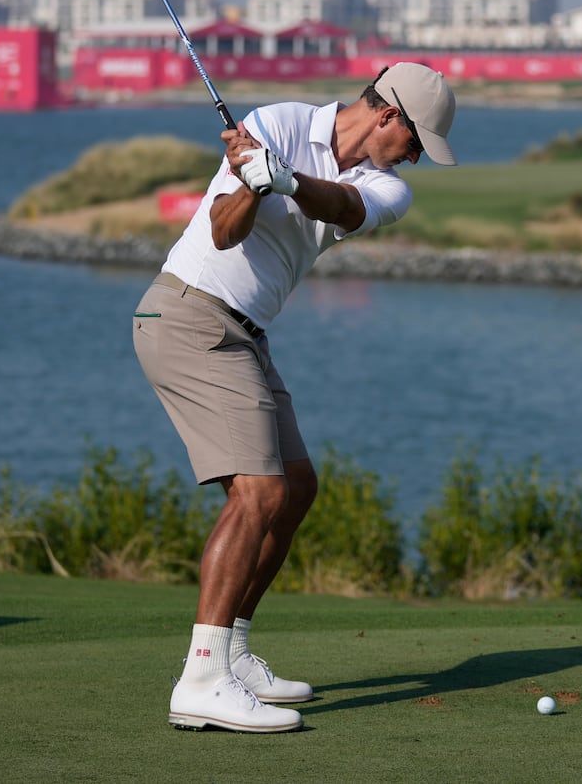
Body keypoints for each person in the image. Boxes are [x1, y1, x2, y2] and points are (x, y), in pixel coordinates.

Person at [133, 61, 458, 734]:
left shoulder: (386, 186)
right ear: (388, 113)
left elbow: (342, 206)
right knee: (259, 492)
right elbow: (223, 231)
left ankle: (234, 650)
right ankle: (202, 676)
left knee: (297, 486)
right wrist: (255, 181)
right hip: (190, 315)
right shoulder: (274, 123)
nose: (415, 157)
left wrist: (283, 177)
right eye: (416, 141)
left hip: (245, 334)